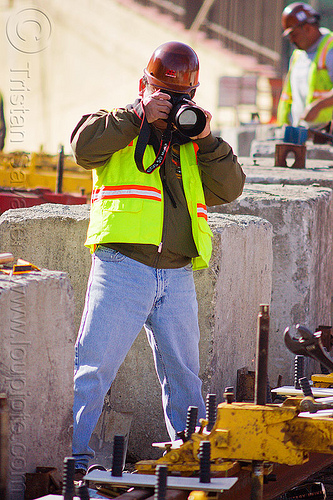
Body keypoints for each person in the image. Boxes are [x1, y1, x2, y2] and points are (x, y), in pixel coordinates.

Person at [70, 41, 245, 479]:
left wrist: (206, 139)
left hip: (177, 274)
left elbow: (228, 189)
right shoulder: (115, 123)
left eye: (183, 96)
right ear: (144, 85)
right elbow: (84, 148)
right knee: (92, 371)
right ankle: (74, 465)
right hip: (122, 267)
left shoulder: (190, 142)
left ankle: (191, 460)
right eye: (163, 93)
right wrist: (138, 115)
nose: (174, 104)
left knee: (185, 376)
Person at [277, 2, 333, 127]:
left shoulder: (330, 50)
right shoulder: (298, 55)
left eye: (294, 34)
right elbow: (288, 96)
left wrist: (317, 107)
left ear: (308, 28)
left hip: (326, 136)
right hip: (300, 133)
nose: (292, 40)